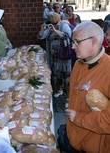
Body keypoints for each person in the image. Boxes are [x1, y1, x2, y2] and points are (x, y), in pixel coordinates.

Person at [65, 21, 110, 153]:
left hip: (94, 147)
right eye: (72, 41)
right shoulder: (79, 64)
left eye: (77, 42)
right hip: (74, 141)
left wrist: (78, 118)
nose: (73, 46)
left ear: (93, 41)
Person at [37, 12, 72, 97]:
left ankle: (69, 98)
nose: (54, 25)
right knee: (56, 75)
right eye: (52, 23)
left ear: (59, 20)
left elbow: (67, 36)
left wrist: (55, 30)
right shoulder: (50, 27)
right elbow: (41, 37)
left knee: (66, 77)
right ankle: (59, 90)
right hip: (54, 57)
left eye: (55, 23)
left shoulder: (64, 25)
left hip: (64, 56)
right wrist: (42, 30)